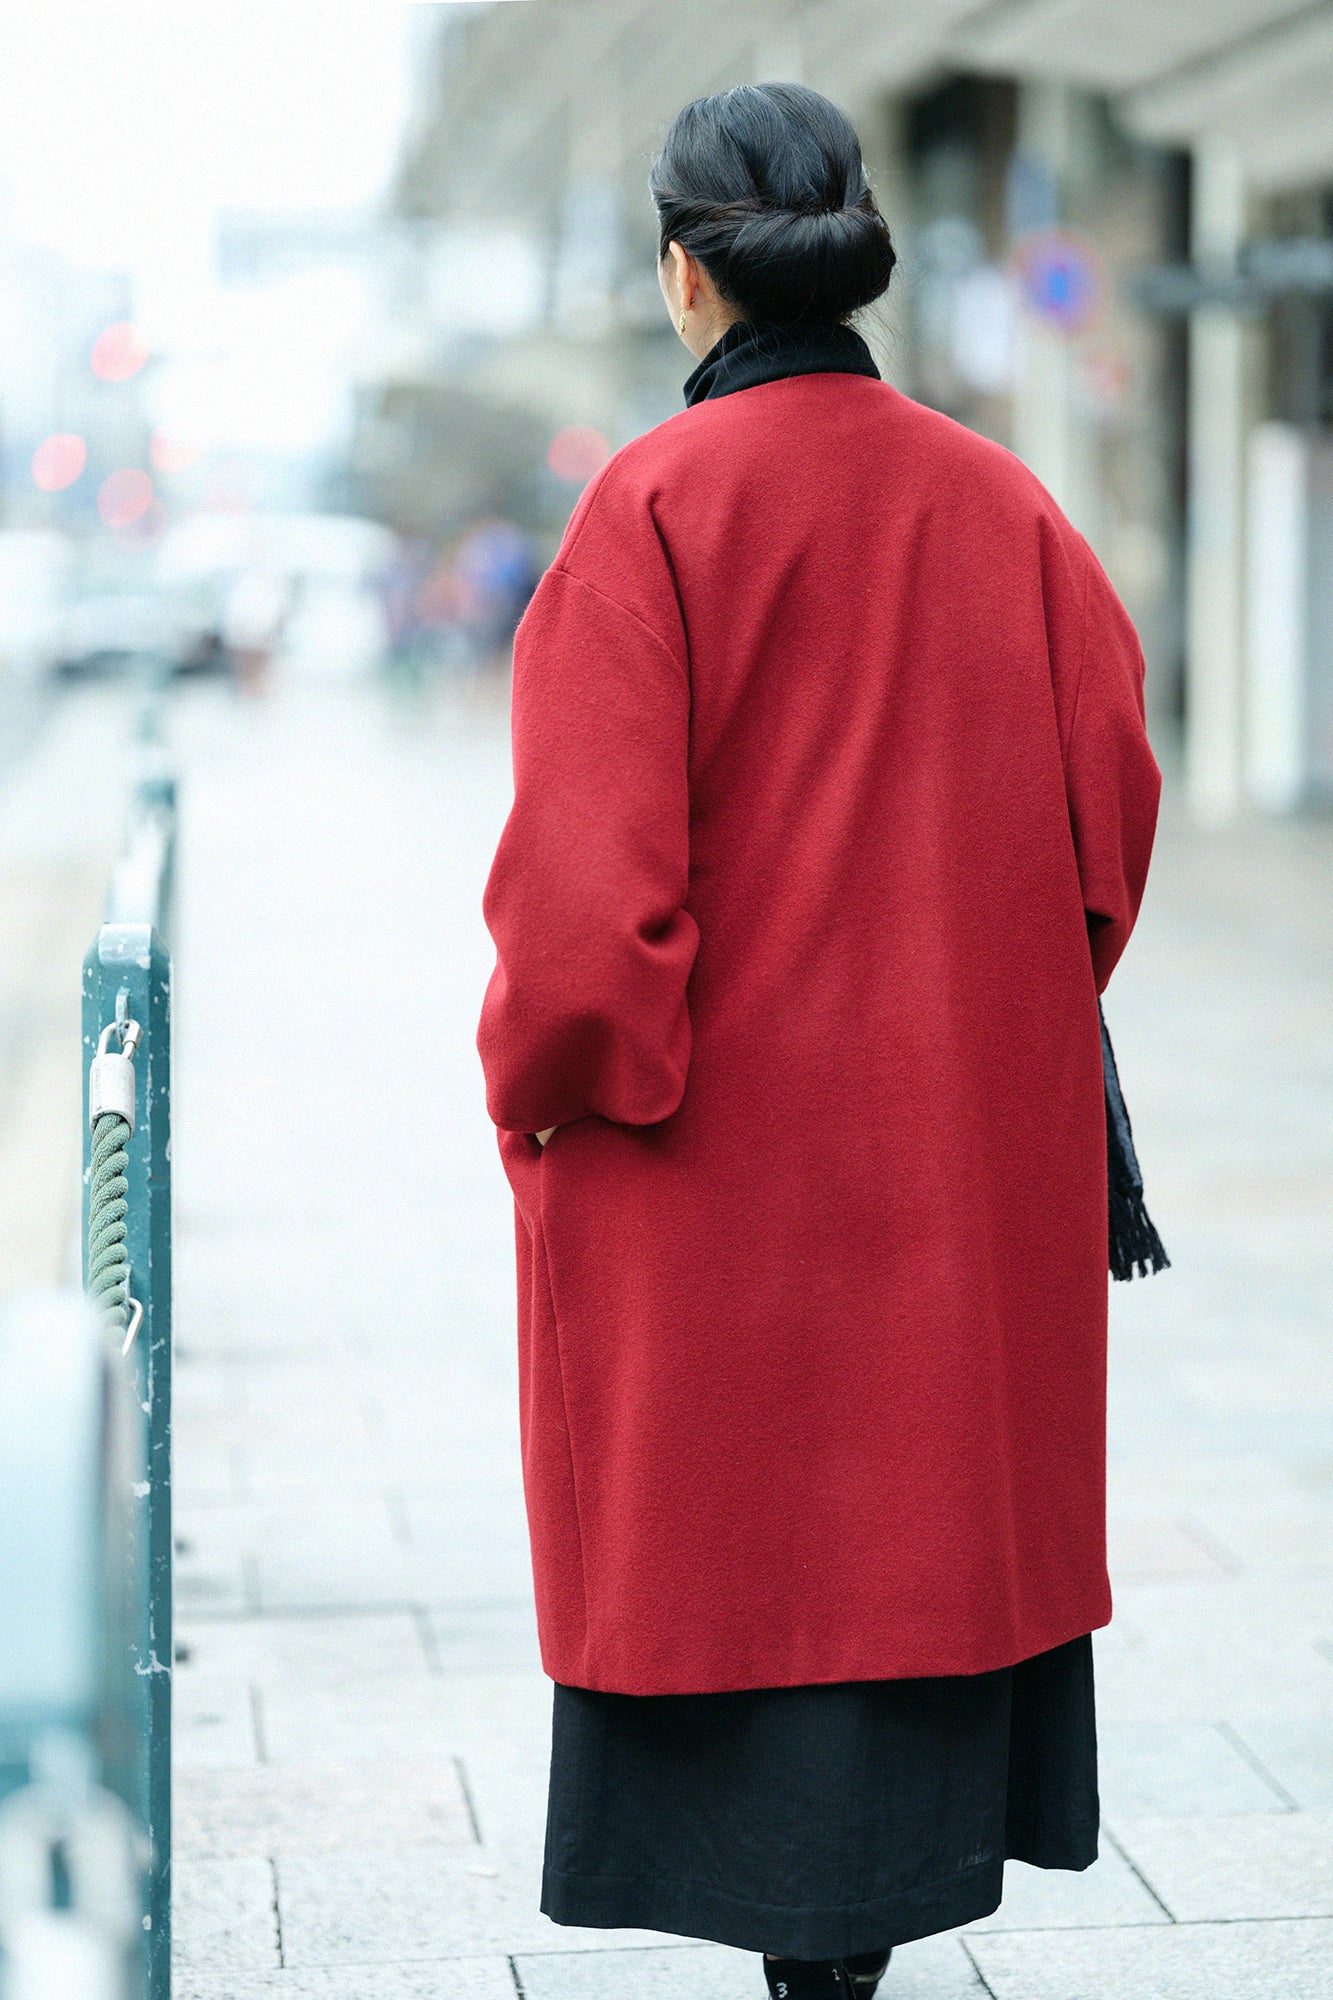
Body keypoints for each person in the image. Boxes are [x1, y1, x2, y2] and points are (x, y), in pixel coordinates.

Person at [477, 81, 1160, 2000]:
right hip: (948, 1166)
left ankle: (799, 1949)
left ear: (686, 273)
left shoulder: (651, 511)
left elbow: (578, 933)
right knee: (915, 1536)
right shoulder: (1003, 501)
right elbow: (1106, 823)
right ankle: (857, 1945)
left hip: (716, 1187)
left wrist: (554, 1100)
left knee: (750, 1556)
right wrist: (981, 1015)